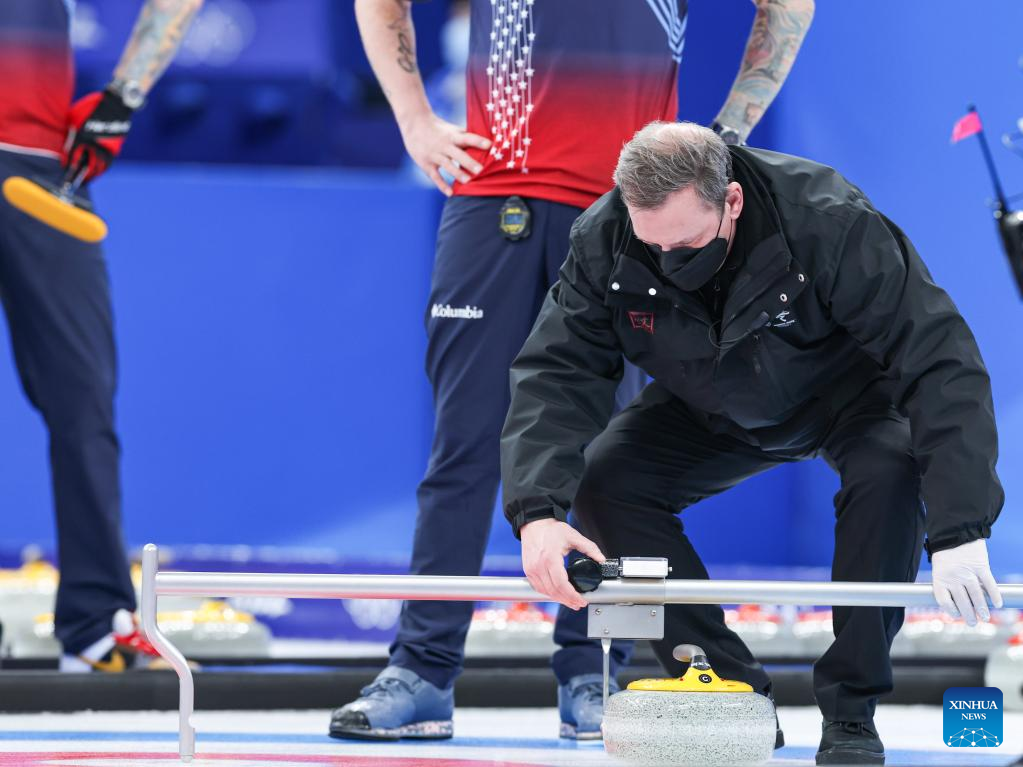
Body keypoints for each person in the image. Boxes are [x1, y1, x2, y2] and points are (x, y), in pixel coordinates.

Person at [332, 0, 815, 742]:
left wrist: (728, 133)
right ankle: (422, 671)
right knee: (464, 447)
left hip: (628, 212)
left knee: (610, 461)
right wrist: (413, 119)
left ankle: (598, 669)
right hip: (491, 199)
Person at [501, 121, 1004, 765]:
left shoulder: (826, 217)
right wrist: (537, 513)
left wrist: (960, 527)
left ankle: (851, 713)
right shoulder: (605, 238)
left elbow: (938, 358)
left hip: (847, 397)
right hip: (707, 401)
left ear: (732, 201)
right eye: (654, 247)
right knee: (606, 483)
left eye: (686, 244)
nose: (668, 261)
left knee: (890, 469)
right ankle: (729, 694)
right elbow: (557, 372)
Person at [0, 0, 204, 671]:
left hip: (42, 168)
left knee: (84, 397)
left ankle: (93, 624)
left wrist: (123, 97)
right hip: (41, 168)